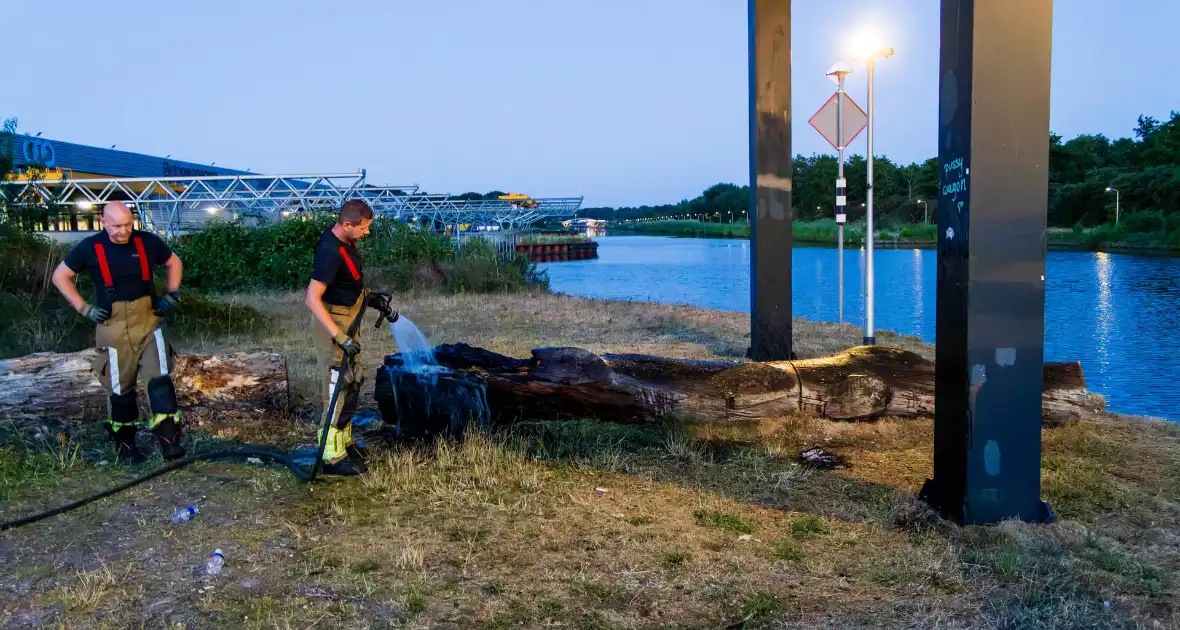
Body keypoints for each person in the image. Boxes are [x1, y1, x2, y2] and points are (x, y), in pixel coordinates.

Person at [51, 201, 185, 464]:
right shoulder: (91, 247)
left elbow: (174, 262)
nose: (123, 231)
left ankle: (170, 445)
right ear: (104, 222)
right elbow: (60, 276)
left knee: (160, 382)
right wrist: (83, 308)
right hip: (112, 327)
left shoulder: (147, 241)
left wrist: (172, 293)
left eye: (127, 225)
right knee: (120, 391)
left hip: (149, 321)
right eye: (116, 226)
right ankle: (126, 448)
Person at [305, 199, 392, 476]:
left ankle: (344, 443)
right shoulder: (330, 252)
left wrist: (369, 297)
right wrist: (339, 336)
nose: (367, 232)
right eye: (364, 228)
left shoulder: (347, 243)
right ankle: (331, 457)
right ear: (347, 225)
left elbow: (347, 282)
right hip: (334, 325)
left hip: (348, 321)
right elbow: (311, 298)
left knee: (354, 381)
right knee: (337, 385)